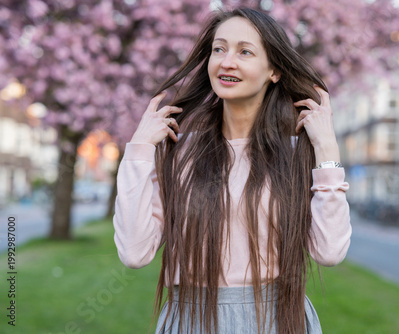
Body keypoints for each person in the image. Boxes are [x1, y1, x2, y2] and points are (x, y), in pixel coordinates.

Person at [113, 7, 351, 334]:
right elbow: (134, 252)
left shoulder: (298, 155)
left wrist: (326, 150)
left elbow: (330, 251)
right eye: (219, 49)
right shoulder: (179, 152)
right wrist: (140, 149)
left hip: (277, 320)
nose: (227, 61)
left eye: (245, 52)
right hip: (191, 321)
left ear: (274, 71)